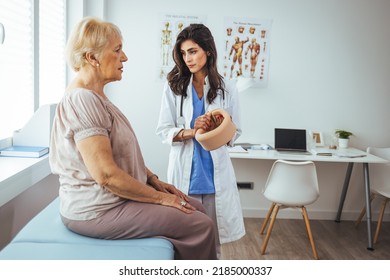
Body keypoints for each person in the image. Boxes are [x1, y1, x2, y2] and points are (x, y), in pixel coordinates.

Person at [49, 16, 217, 260]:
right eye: (117, 50)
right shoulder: (83, 99)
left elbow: (118, 154)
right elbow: (105, 175)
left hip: (111, 201)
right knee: (201, 224)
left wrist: (153, 179)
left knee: (198, 209)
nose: (124, 57)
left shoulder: (97, 97)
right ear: (92, 58)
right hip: (96, 209)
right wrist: (162, 199)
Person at [156, 23, 246, 258]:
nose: (188, 58)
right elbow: (163, 130)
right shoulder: (174, 86)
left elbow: (235, 133)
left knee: (213, 245)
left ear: (208, 51)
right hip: (185, 177)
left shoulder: (228, 87)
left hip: (215, 178)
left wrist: (219, 127)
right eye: (184, 53)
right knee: (183, 242)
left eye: (193, 51)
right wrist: (191, 131)